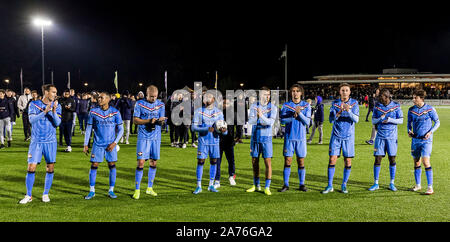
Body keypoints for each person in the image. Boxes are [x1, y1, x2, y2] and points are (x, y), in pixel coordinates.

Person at [19, 84, 61, 204]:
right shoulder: (33, 104)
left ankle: (45, 194)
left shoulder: (57, 106)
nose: (55, 94)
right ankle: (28, 195)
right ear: (46, 92)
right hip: (36, 142)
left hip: (50, 142)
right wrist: (44, 112)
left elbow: (57, 123)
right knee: (31, 168)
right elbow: (31, 120)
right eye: (53, 92)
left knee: (50, 167)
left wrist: (52, 111)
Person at [83, 92, 124, 200]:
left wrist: (114, 143)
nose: (99, 99)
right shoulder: (93, 112)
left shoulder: (115, 112)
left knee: (111, 165)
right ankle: (92, 191)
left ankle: (111, 190)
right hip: (97, 144)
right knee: (94, 165)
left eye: (102, 97)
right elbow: (88, 129)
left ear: (108, 99)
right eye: (98, 97)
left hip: (110, 144)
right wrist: (85, 144)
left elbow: (121, 130)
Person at [322, 83, 359, 194]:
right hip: (336, 136)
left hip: (349, 137)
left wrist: (348, 111)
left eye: (346, 90)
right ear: (339, 92)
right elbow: (330, 120)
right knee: (332, 159)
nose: (344, 92)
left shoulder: (354, 103)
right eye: (342, 90)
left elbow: (356, 119)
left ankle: (344, 184)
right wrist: (338, 112)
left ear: (349, 92)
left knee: (347, 161)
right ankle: (329, 185)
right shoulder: (335, 104)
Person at [132, 85, 167, 199]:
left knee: (153, 162)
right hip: (143, 137)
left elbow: (161, 121)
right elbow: (135, 120)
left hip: (156, 138)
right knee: (141, 162)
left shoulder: (161, 105)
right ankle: (137, 190)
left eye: (155, 96)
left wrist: (159, 122)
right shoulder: (139, 104)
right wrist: (148, 121)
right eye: (151, 96)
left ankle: (149, 188)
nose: (153, 98)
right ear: (146, 94)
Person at [191, 90, 227, 194]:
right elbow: (193, 128)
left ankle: (211, 185)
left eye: (209, 98)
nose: (206, 100)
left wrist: (223, 131)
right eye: (205, 98)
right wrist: (206, 129)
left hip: (215, 142)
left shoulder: (219, 113)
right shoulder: (198, 111)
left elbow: (224, 131)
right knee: (201, 161)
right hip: (203, 142)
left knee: (214, 162)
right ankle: (199, 186)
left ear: (213, 100)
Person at [368, 89, 403, 192]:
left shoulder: (396, 106)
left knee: (392, 159)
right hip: (380, 137)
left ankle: (392, 183)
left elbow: (401, 120)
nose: (379, 98)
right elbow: (373, 120)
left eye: (381, 97)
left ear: (386, 96)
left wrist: (390, 120)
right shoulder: (377, 106)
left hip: (392, 138)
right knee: (377, 159)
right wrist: (380, 119)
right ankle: (376, 183)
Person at [279, 84, 311, 192]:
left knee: (300, 161)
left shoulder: (306, 105)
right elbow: (282, 121)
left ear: (301, 93)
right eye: (293, 91)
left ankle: (302, 184)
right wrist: (292, 116)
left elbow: (307, 122)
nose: (295, 93)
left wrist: (299, 114)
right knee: (288, 161)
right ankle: (286, 184)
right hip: (289, 138)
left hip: (301, 138)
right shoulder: (286, 105)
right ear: (291, 93)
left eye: (297, 91)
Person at [246, 87, 278, 196]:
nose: (267, 96)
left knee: (267, 162)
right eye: (265, 94)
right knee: (254, 162)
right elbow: (250, 121)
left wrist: (260, 116)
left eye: (268, 94)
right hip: (255, 138)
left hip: (266, 138)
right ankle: (256, 185)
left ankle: (267, 187)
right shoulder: (254, 106)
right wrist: (260, 118)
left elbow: (270, 123)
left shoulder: (273, 108)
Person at [407, 89, 440, 195]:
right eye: (413, 97)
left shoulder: (430, 109)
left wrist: (430, 132)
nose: (413, 99)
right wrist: (409, 131)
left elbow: (437, 122)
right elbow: (409, 123)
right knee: (416, 162)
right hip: (415, 140)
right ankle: (418, 185)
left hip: (426, 141)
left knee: (426, 162)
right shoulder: (411, 110)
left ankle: (430, 187)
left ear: (421, 98)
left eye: (415, 97)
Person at [214, 98, 236, 189]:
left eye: (226, 103)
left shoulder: (233, 114)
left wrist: (237, 137)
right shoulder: (217, 114)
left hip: (229, 140)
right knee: (217, 161)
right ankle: (217, 180)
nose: (225, 105)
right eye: (223, 103)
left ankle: (231, 176)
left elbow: (238, 126)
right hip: (218, 140)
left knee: (231, 160)